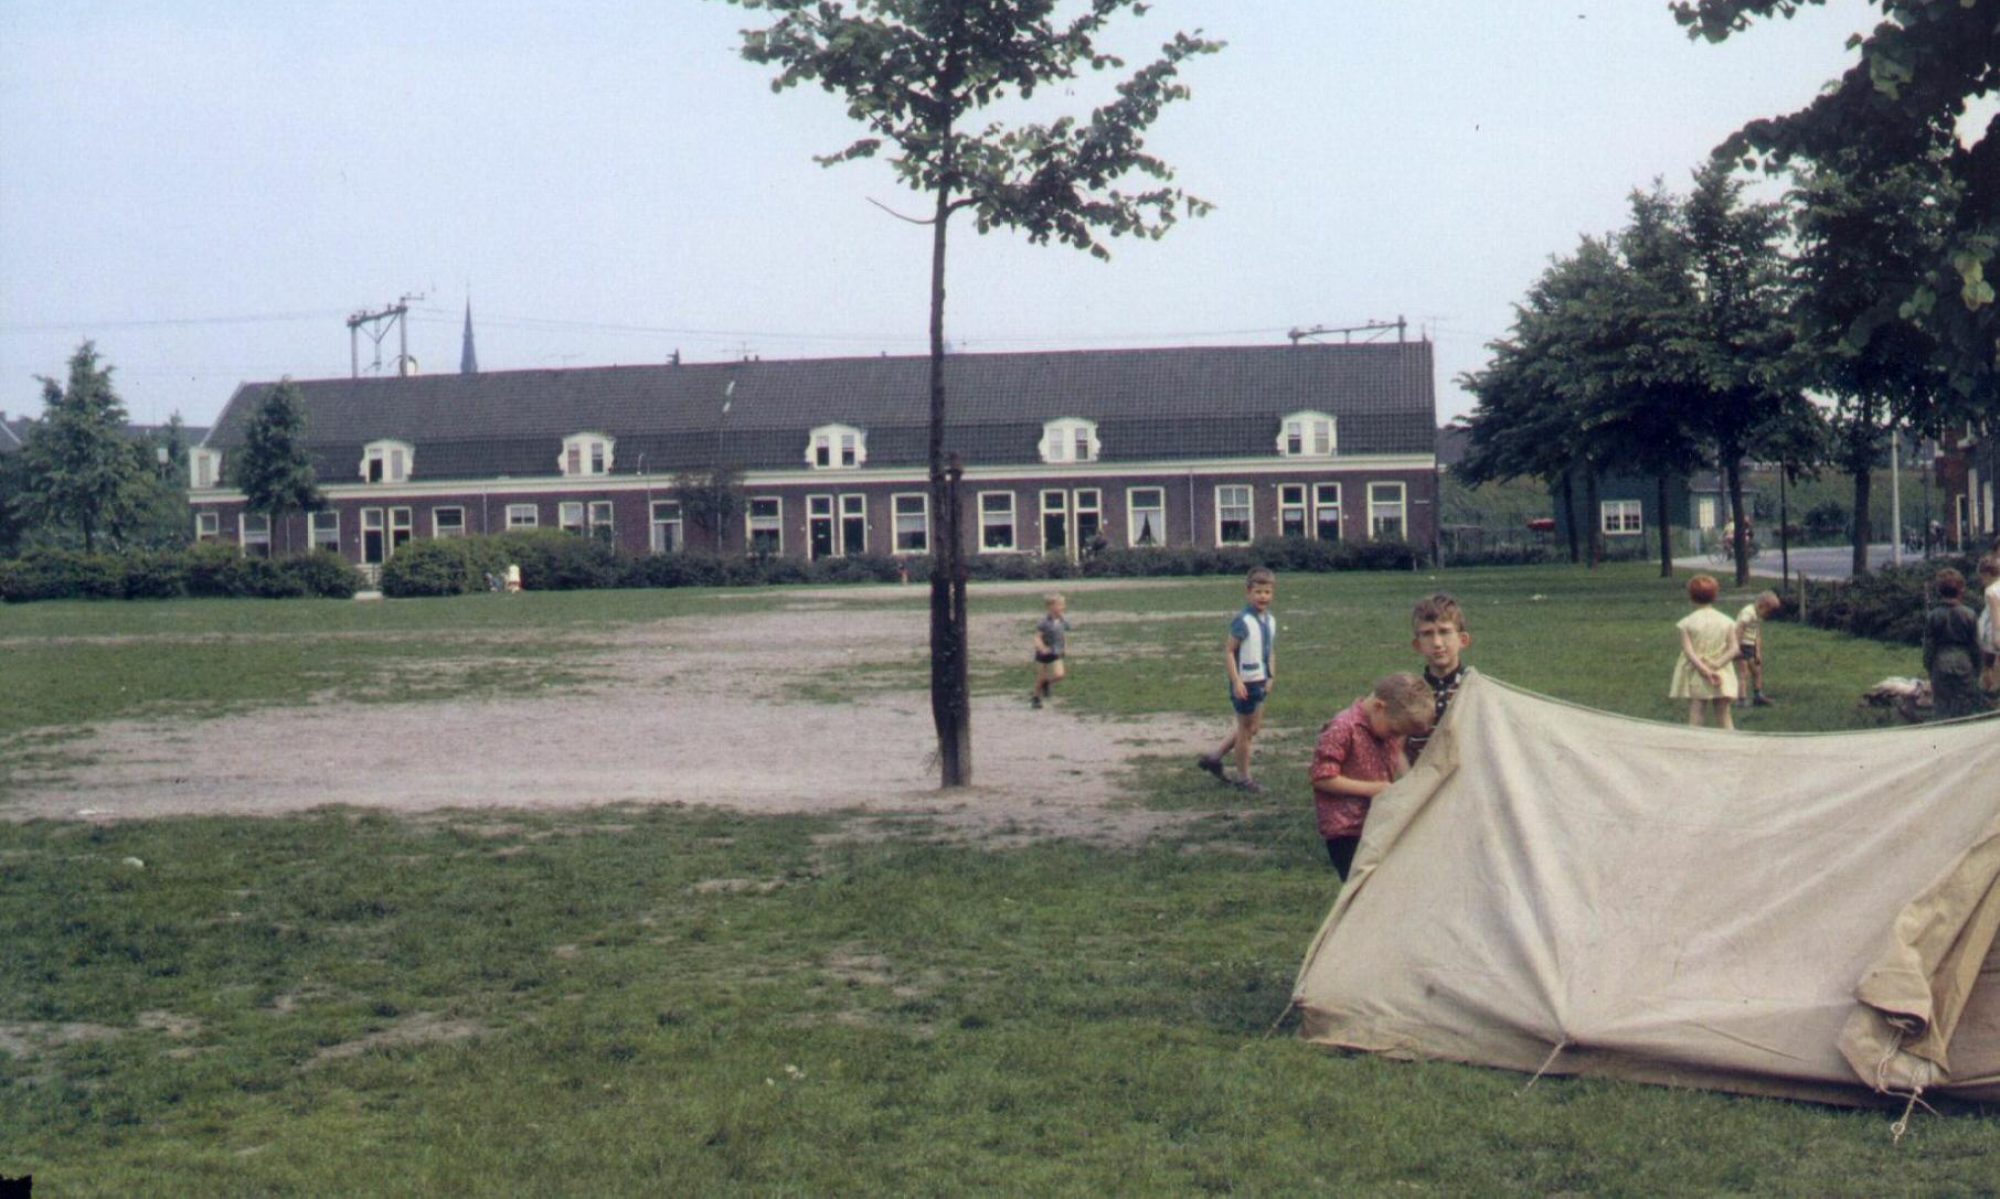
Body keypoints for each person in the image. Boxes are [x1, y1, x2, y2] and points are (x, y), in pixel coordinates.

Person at [1309, 672, 1434, 880]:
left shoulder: (1383, 727)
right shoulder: (1343, 727)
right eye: (1394, 731)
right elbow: (1321, 776)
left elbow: (1396, 754)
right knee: (1359, 887)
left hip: (1374, 824)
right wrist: (1373, 789)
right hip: (1346, 831)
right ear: (1379, 707)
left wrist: (1410, 782)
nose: (1394, 738)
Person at [1197, 567, 1277, 793]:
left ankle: (1214, 757)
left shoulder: (1270, 621)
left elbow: (1270, 651)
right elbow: (1229, 651)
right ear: (1248, 592)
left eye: (1267, 592)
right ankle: (1244, 779)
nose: (1263, 597)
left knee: (1253, 728)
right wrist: (1237, 681)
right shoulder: (1242, 621)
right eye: (1258, 592)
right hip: (1245, 683)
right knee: (1245, 730)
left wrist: (1271, 675)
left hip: (1261, 680)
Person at [1406, 592, 1471, 765]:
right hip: (1422, 786)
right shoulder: (1408, 694)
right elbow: (1395, 750)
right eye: (1427, 634)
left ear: (1463, 640)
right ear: (1417, 645)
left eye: (1444, 632)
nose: (1437, 642)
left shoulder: (1475, 689)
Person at [1671, 574, 1740, 729]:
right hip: (1722, 670)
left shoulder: (1687, 623)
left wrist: (1705, 670)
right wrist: (1716, 665)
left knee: (1697, 712)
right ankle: (1732, 746)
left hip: (1697, 671)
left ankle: (1695, 746)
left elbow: (1688, 651)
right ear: (1715, 596)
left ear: (1691, 597)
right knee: (1724, 713)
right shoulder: (1727, 621)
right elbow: (1734, 648)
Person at [1924, 568, 1991, 720]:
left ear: (1939, 591)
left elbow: (1929, 646)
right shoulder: (1969, 614)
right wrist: (1978, 667)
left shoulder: (1933, 616)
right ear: (1961, 590)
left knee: (1942, 708)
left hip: (1940, 663)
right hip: (1964, 663)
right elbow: (1975, 645)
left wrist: (1929, 665)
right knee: (1965, 708)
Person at [1733, 590, 1783, 707]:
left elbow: (1757, 634)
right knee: (1743, 673)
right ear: (1762, 606)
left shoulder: (1757, 615)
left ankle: (1758, 695)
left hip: (1751, 646)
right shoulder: (1748, 613)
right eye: (1768, 612)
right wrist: (1736, 647)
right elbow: (1739, 629)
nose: (1768, 615)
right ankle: (1742, 699)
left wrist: (1758, 652)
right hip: (1742, 646)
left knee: (1757, 671)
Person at [1029, 592, 1071, 709]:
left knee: (1060, 675)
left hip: (1057, 652)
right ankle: (1036, 697)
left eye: (1063, 605)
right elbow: (1037, 637)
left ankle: (1048, 683)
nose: (1063, 607)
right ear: (1051, 607)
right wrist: (1041, 648)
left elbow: (1063, 634)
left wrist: (1065, 647)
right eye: (1060, 605)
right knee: (1040, 678)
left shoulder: (1063, 621)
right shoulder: (1044, 622)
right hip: (1043, 654)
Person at [1978, 552, 2000, 695]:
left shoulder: (1990, 591)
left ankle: (1988, 689)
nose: (1981, 580)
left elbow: (1995, 617)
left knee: (1987, 664)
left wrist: (1997, 636)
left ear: (1987, 574)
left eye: (1981, 577)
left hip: (1991, 632)